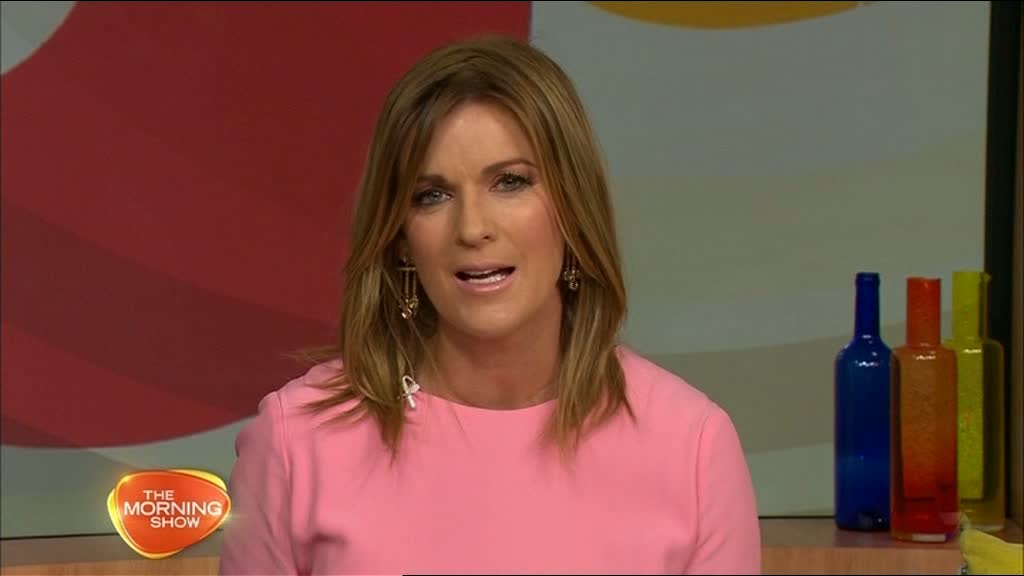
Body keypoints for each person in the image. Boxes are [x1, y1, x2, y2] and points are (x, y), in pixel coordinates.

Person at [219, 36, 761, 575]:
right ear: (401, 237)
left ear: (574, 207)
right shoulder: (296, 443)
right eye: (432, 195)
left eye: (510, 182)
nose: (473, 228)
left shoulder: (692, 448)